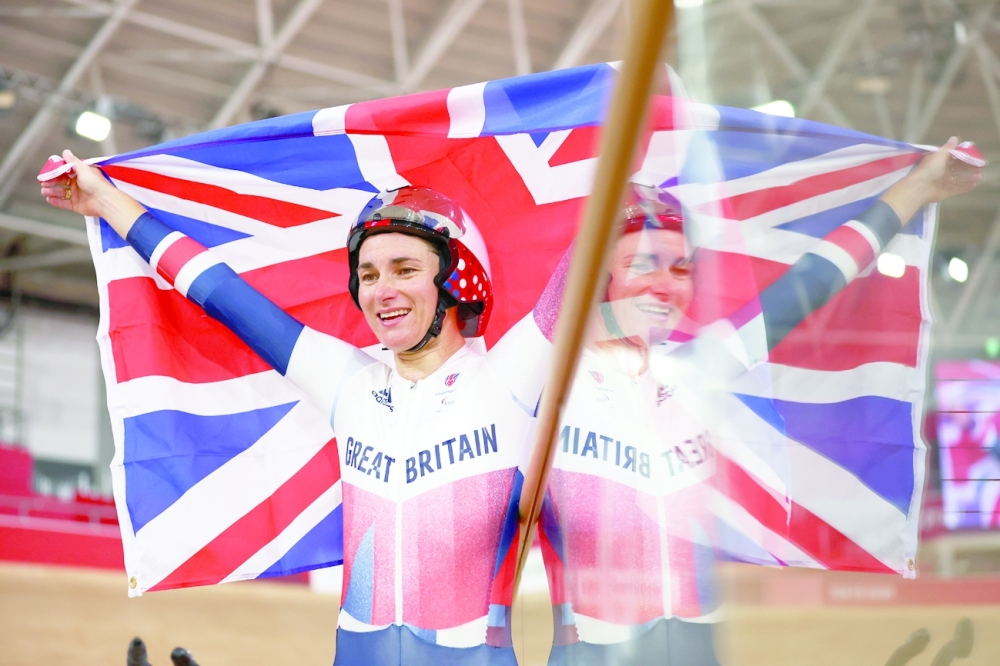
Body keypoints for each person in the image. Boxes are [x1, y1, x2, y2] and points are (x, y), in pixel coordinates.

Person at [42, 157, 552, 666]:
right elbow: (222, 295)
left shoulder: (506, 378)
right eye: (368, 274)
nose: (382, 290)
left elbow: (596, 263)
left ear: (458, 281)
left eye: (406, 269)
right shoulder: (350, 383)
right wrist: (104, 201)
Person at [534, 137, 982, 666]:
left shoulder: (694, 371)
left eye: (681, 269)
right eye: (644, 263)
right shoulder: (547, 378)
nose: (666, 284)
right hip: (591, 649)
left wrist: (916, 189)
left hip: (701, 645)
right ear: (597, 277)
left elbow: (812, 282)